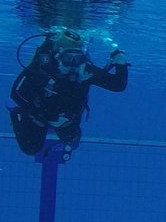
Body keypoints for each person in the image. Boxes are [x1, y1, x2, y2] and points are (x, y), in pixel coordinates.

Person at [7, 28, 129, 162]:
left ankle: (62, 132)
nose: (73, 65)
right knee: (30, 149)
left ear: (84, 59)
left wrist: (121, 64)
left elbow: (118, 85)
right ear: (58, 57)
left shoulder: (87, 71)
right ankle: (14, 115)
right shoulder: (44, 68)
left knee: (72, 141)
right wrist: (36, 116)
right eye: (67, 59)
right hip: (37, 114)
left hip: (67, 118)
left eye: (78, 59)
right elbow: (16, 94)